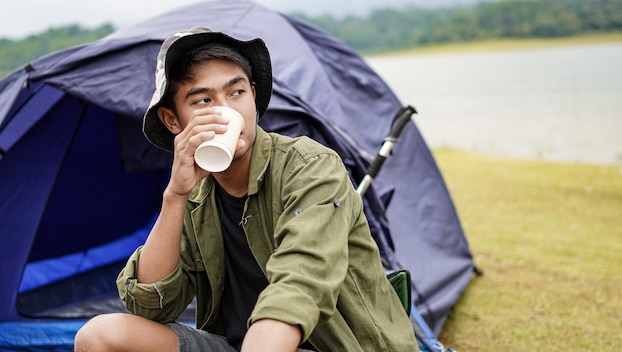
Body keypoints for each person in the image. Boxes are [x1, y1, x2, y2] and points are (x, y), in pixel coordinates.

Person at [74, 26, 419, 352]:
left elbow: (300, 283)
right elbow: (151, 306)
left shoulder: (309, 166)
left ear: (253, 98)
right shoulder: (196, 196)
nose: (224, 109)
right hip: (239, 345)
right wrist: (175, 196)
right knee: (99, 336)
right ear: (173, 120)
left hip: (329, 345)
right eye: (202, 101)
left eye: (236, 92)